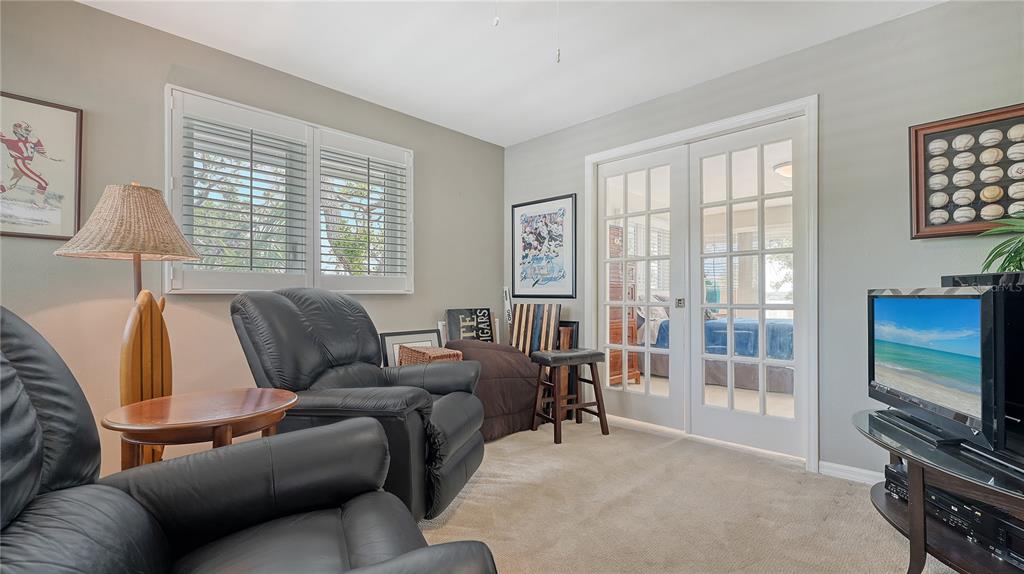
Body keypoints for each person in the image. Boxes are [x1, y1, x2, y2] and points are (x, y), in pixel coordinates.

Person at [1, 121, 62, 207]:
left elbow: (42, 152)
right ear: (18, 130)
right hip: (20, 163)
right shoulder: (11, 141)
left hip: (23, 164)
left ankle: (38, 203)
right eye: (26, 130)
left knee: (10, 185)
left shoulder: (33, 140)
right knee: (43, 182)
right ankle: (39, 204)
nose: (28, 132)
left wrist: (53, 157)